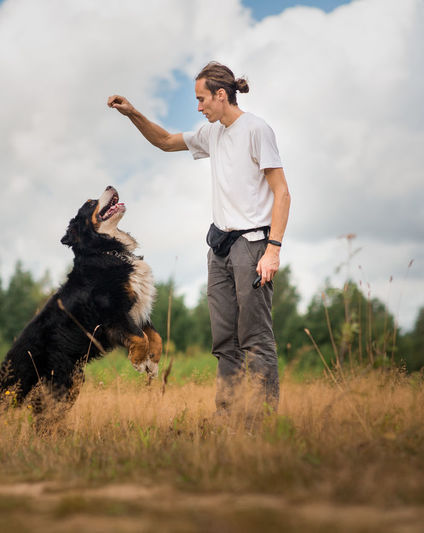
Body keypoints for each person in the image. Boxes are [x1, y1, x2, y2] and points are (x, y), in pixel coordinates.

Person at [107, 61, 290, 418]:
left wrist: (273, 250)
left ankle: (263, 425)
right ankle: (227, 420)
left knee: (255, 340)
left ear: (221, 95)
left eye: (202, 99)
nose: (198, 106)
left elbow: (281, 194)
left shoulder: (257, 130)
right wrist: (132, 113)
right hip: (219, 249)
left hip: (253, 247)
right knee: (224, 342)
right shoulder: (213, 133)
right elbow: (164, 141)